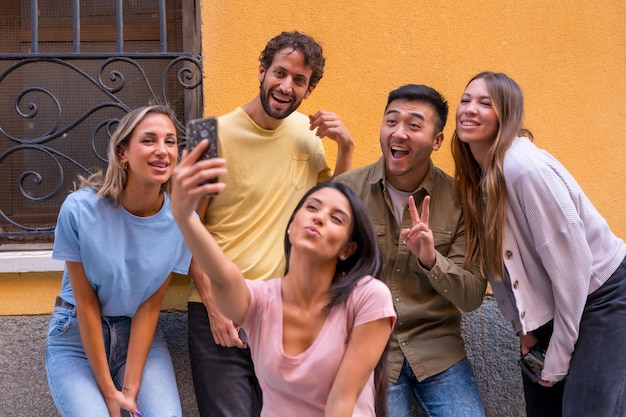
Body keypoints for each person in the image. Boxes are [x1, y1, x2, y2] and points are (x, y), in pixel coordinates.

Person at [186, 30, 355, 417]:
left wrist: (345, 148)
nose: (286, 86)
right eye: (280, 73)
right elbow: (188, 233)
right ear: (262, 71)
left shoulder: (306, 134)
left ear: (308, 89)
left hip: (283, 311)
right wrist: (214, 308)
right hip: (222, 308)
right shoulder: (207, 135)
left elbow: (333, 208)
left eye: (299, 80)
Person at [171, 145, 396, 416]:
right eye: (312, 207)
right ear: (291, 226)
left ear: (348, 248)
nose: (320, 217)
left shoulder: (368, 297)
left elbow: (341, 402)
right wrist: (185, 218)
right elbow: (225, 279)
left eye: (336, 218)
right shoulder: (262, 300)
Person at [451, 71, 626, 417]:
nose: (469, 109)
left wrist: (559, 355)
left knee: (586, 409)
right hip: (557, 307)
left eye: (485, 103)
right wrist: (523, 330)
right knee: (544, 408)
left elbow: (574, 267)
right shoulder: (480, 176)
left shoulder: (523, 170)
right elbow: (497, 265)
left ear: (507, 114)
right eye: (466, 99)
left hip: (602, 298)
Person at [334, 84, 487, 417]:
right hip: (369, 353)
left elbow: (473, 295)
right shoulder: (347, 191)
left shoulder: (461, 200)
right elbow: (317, 273)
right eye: (391, 121)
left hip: (439, 352)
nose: (398, 133)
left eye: (414, 125)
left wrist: (431, 259)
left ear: (437, 141)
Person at [45, 105, 192, 417]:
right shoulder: (79, 211)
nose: (162, 151)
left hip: (139, 339)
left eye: (170, 141)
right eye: (149, 140)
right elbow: (86, 303)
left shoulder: (182, 220)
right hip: (75, 339)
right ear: (123, 152)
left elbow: (150, 306)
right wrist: (110, 394)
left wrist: (129, 390)